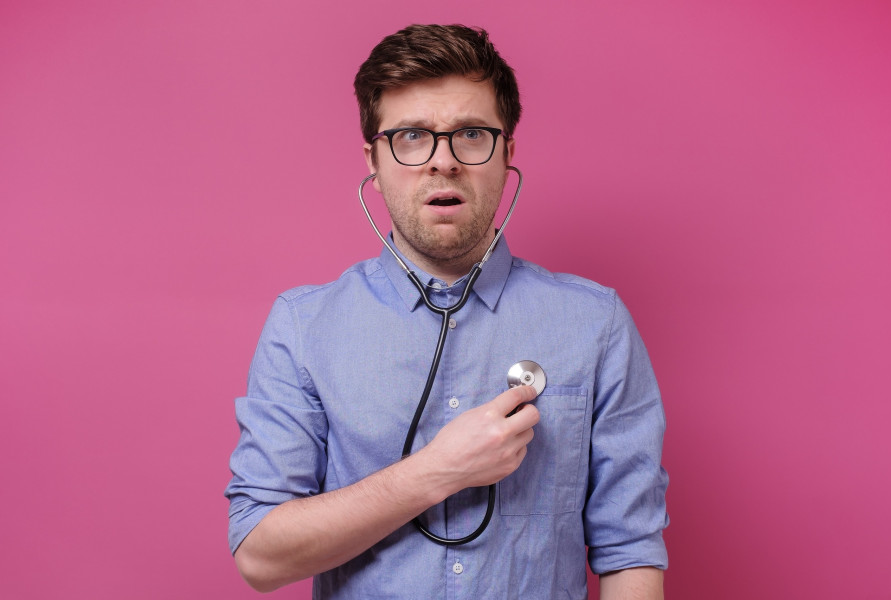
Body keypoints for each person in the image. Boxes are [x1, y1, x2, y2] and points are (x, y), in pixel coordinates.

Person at [225, 24, 669, 599]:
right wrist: (437, 471)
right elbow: (260, 556)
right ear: (375, 164)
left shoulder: (595, 324)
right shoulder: (304, 327)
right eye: (412, 136)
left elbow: (630, 554)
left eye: (471, 135)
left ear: (507, 152)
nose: (444, 162)